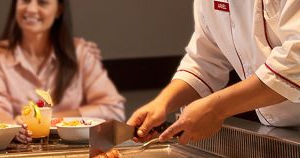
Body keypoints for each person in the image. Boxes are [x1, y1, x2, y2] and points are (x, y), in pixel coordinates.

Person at [128, 0, 300, 145]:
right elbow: (204, 60)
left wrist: (216, 109)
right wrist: (162, 103)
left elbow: (294, 62)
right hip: (282, 134)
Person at [0, 0, 125, 143]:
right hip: (19, 152)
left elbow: (113, 109)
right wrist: (11, 127)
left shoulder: (81, 53)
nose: (31, 9)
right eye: (25, 0)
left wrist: (49, 118)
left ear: (59, 10)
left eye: (42, 2)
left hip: (77, 151)